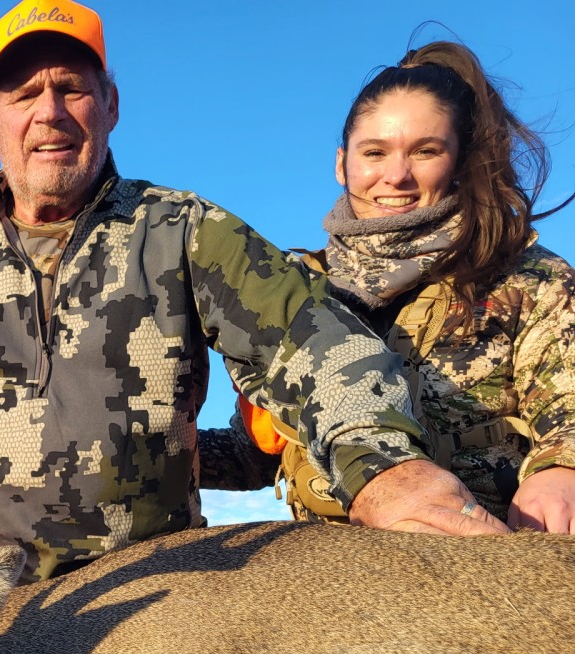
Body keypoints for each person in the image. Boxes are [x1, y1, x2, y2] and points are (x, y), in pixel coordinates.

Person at [0, 1, 508, 585]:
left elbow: (311, 339)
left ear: (110, 105)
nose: (49, 112)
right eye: (25, 93)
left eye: (72, 88)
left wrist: (385, 468)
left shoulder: (184, 230)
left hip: (157, 608)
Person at [200, 41, 575, 534]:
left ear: (460, 161)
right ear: (342, 164)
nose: (396, 175)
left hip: (483, 551)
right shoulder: (293, 291)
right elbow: (257, 455)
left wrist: (560, 472)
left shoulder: (527, 277)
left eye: (425, 151)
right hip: (325, 571)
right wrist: (153, 452)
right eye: (374, 152)